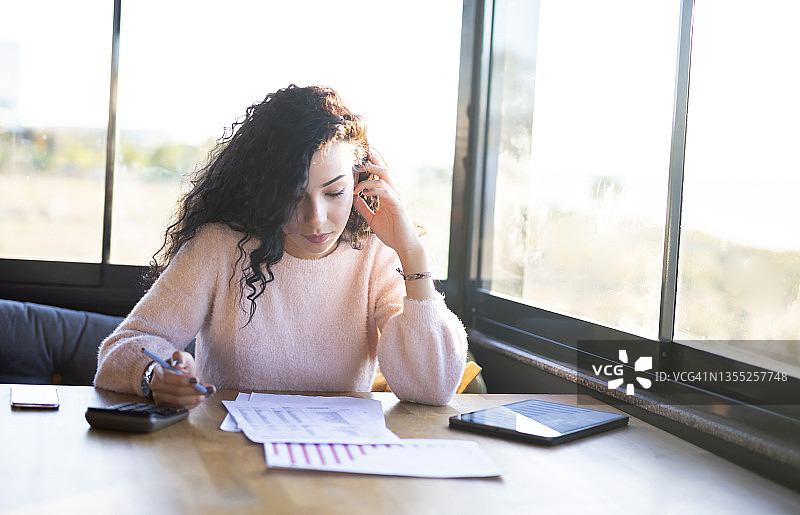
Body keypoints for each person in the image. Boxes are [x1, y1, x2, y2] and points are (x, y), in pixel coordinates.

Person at [94, 85, 467, 408]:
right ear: (264, 191)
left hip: (339, 458)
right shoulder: (220, 246)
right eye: (293, 196)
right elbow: (123, 346)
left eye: (335, 192)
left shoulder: (374, 254)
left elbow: (432, 389)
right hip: (227, 455)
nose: (316, 219)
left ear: (359, 182)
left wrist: (411, 252)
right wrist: (155, 375)